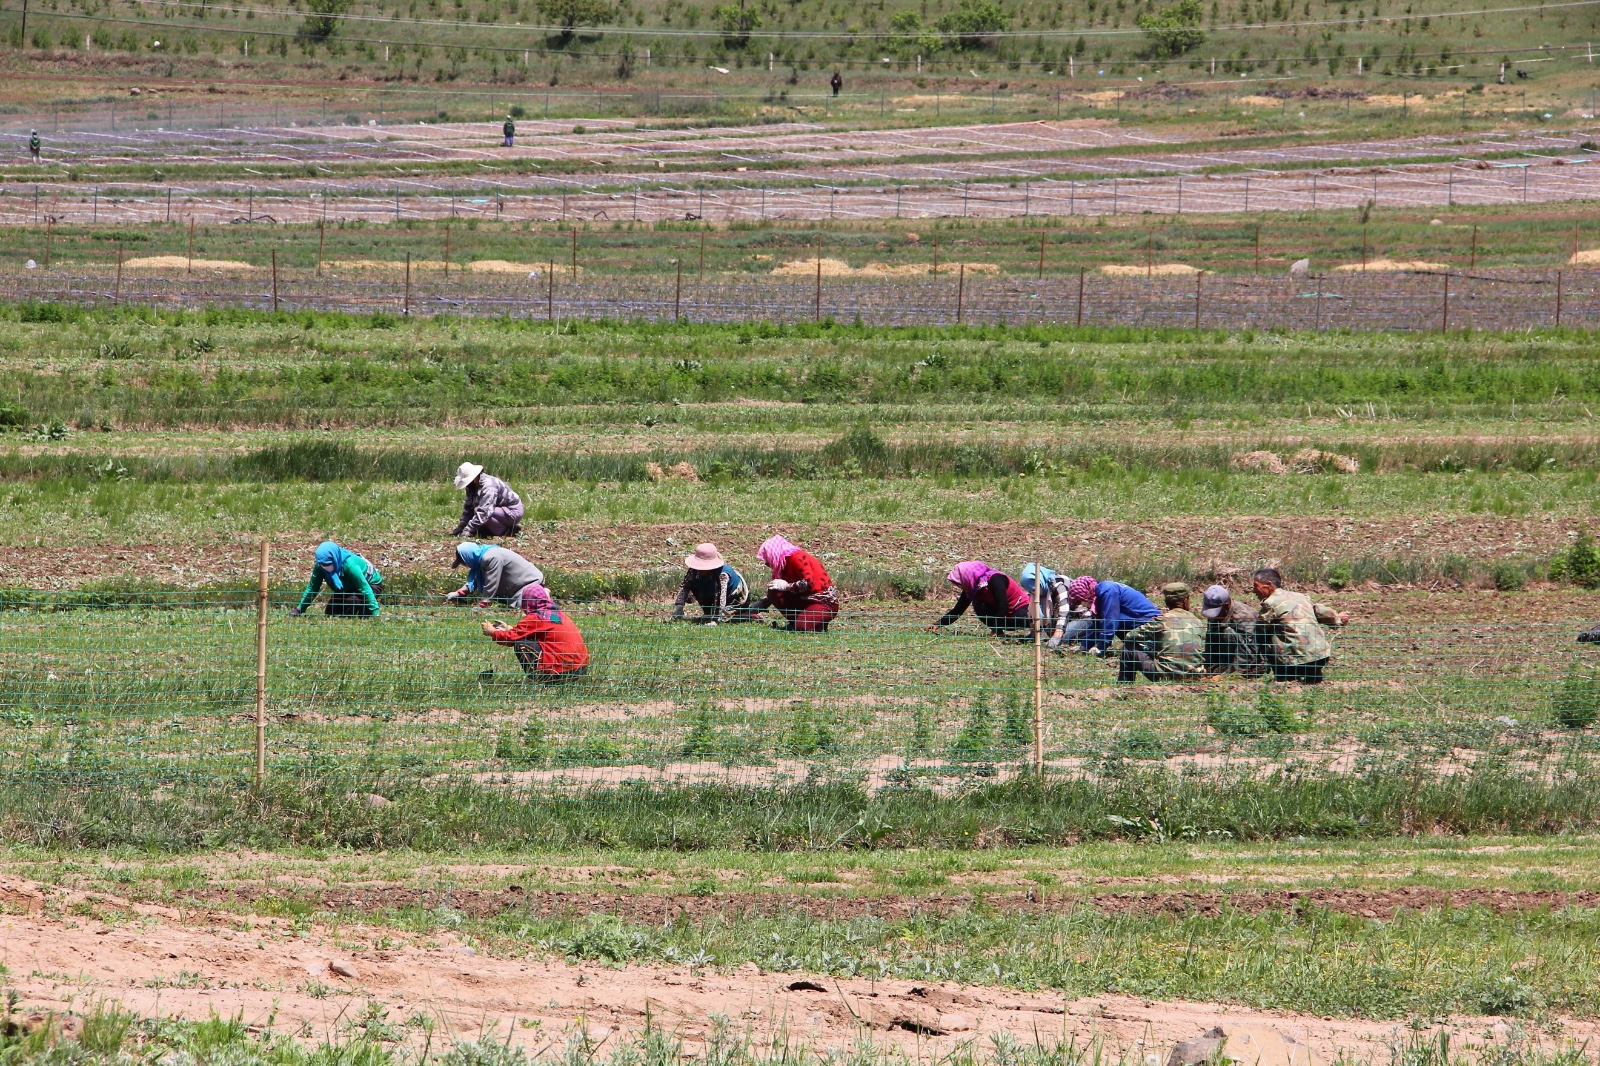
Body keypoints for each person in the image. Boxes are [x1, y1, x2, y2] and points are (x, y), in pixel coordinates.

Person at [1252, 567, 1345, 683]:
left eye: (1256, 586)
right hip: (1321, 655)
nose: (1254, 591)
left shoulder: (1270, 604)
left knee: (1268, 638)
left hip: (1295, 661)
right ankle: (1313, 680)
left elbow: (1259, 630)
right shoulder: (1301, 596)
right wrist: (1338, 618)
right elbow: (1320, 611)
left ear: (1269, 585)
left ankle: (1285, 680)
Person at [483, 583, 589, 683]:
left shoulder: (537, 617)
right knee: (522, 641)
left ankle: (541, 679)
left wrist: (492, 632)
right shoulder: (556, 613)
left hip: (562, 672)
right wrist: (509, 629)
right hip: (580, 669)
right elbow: (535, 633)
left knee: (520, 645)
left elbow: (512, 639)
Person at [1117, 582, 1206, 682]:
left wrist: (1152, 643)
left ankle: (1124, 685)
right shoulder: (1196, 621)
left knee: (1128, 648)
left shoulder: (1161, 620)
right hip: (1195, 676)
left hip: (1166, 676)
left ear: (1166, 602)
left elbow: (1130, 636)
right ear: (1186, 601)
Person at [751, 534, 839, 632]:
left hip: (823, 601)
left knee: (803, 627)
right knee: (774, 590)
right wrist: (762, 604)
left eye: (768, 560)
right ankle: (798, 622)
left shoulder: (798, 558)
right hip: (804, 599)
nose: (767, 564)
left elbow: (808, 583)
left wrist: (787, 586)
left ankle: (813, 625)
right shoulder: (783, 566)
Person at [1067, 574, 1161, 655]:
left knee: (1147, 650)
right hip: (1133, 623)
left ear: (1085, 593)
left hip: (1149, 624)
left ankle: (1150, 647)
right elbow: (1098, 624)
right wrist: (1084, 646)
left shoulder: (1107, 590)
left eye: (1080, 600)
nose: (1081, 603)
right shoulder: (1099, 594)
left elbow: (1111, 621)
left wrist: (1100, 648)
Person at [936, 561, 1032, 637]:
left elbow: (1003, 607)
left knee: (1021, 619)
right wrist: (937, 624)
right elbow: (958, 610)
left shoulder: (995, 579)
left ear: (966, 578)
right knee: (978, 605)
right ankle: (999, 632)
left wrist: (995, 629)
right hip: (1003, 616)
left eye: (959, 584)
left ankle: (1041, 628)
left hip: (1020, 609)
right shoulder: (973, 588)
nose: (960, 587)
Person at [290, 540, 382, 617]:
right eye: (323, 564)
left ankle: (367, 612)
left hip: (371, 585)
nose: (326, 566)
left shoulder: (350, 566)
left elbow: (364, 588)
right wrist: (300, 609)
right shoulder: (320, 566)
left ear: (335, 558)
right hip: (347, 587)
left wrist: (376, 613)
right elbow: (313, 587)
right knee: (331, 612)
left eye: (328, 563)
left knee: (352, 602)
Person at [670, 542, 753, 624]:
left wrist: (716, 620)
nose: (700, 569)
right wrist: (679, 608)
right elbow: (685, 586)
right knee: (707, 615)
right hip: (712, 592)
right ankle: (709, 613)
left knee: (728, 620)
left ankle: (745, 615)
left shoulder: (722, 574)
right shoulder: (693, 571)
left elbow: (721, 597)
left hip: (735, 597)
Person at [1019, 563, 1089, 650]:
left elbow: (1064, 612)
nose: (1034, 591)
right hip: (1061, 621)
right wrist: (1034, 632)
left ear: (1039, 580)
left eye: (1035, 587)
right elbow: (1032, 611)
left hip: (1080, 617)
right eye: (1030, 589)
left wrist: (1057, 635)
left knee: (1063, 637)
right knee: (1053, 635)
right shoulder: (1035, 593)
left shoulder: (1059, 586)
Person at [449, 542, 544, 607]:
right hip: (516, 588)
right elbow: (476, 580)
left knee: (526, 607)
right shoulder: (481, 559)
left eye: (465, 563)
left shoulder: (491, 558)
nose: (467, 566)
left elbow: (491, 582)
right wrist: (459, 593)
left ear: (469, 557)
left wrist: (483, 604)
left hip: (529, 583)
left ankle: (544, 592)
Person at [1199, 584, 1264, 676]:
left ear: (1226, 605)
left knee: (1227, 632)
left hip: (1248, 658)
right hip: (1227, 653)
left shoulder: (1244, 616)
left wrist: (1228, 674)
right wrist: (1207, 665)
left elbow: (1251, 649)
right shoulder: (1218, 613)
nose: (1213, 617)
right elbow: (1211, 638)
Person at [452, 462, 524, 538]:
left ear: (475, 478)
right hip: (498, 510)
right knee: (478, 516)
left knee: (480, 513)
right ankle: (496, 527)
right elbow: (468, 507)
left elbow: (485, 511)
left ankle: (505, 531)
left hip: (513, 512)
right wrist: (461, 525)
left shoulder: (489, 486)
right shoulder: (472, 487)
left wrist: (468, 529)